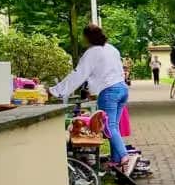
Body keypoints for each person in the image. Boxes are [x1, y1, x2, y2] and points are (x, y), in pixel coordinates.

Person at [48, 23, 138, 176]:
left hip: (109, 91)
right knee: (114, 126)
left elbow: (78, 75)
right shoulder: (112, 49)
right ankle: (116, 159)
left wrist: (54, 91)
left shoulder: (92, 52)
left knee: (109, 126)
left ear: (87, 38)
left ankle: (124, 156)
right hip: (122, 89)